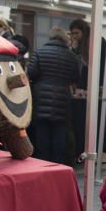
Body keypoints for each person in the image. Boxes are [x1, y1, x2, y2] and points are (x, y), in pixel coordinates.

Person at [26, 27, 81, 164]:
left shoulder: (39, 52)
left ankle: (42, 165)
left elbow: (31, 73)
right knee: (59, 136)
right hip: (62, 99)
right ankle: (57, 167)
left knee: (42, 135)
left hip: (41, 98)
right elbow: (76, 77)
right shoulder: (72, 56)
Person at [69, 19, 106, 164]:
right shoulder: (93, 43)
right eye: (72, 33)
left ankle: (93, 153)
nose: (74, 36)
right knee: (83, 125)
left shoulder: (96, 43)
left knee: (92, 125)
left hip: (94, 92)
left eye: (76, 33)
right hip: (84, 94)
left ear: (83, 31)